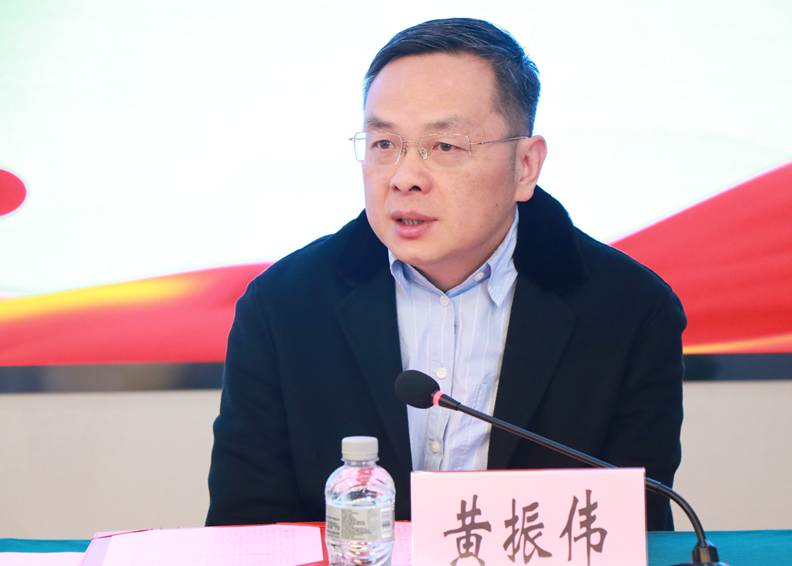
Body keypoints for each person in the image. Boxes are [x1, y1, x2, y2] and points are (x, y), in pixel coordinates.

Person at [206, 18, 686, 531]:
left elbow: (635, 529)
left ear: (525, 165)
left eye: (445, 147)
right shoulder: (282, 307)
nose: (405, 178)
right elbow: (244, 530)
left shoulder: (630, 311)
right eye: (384, 144)